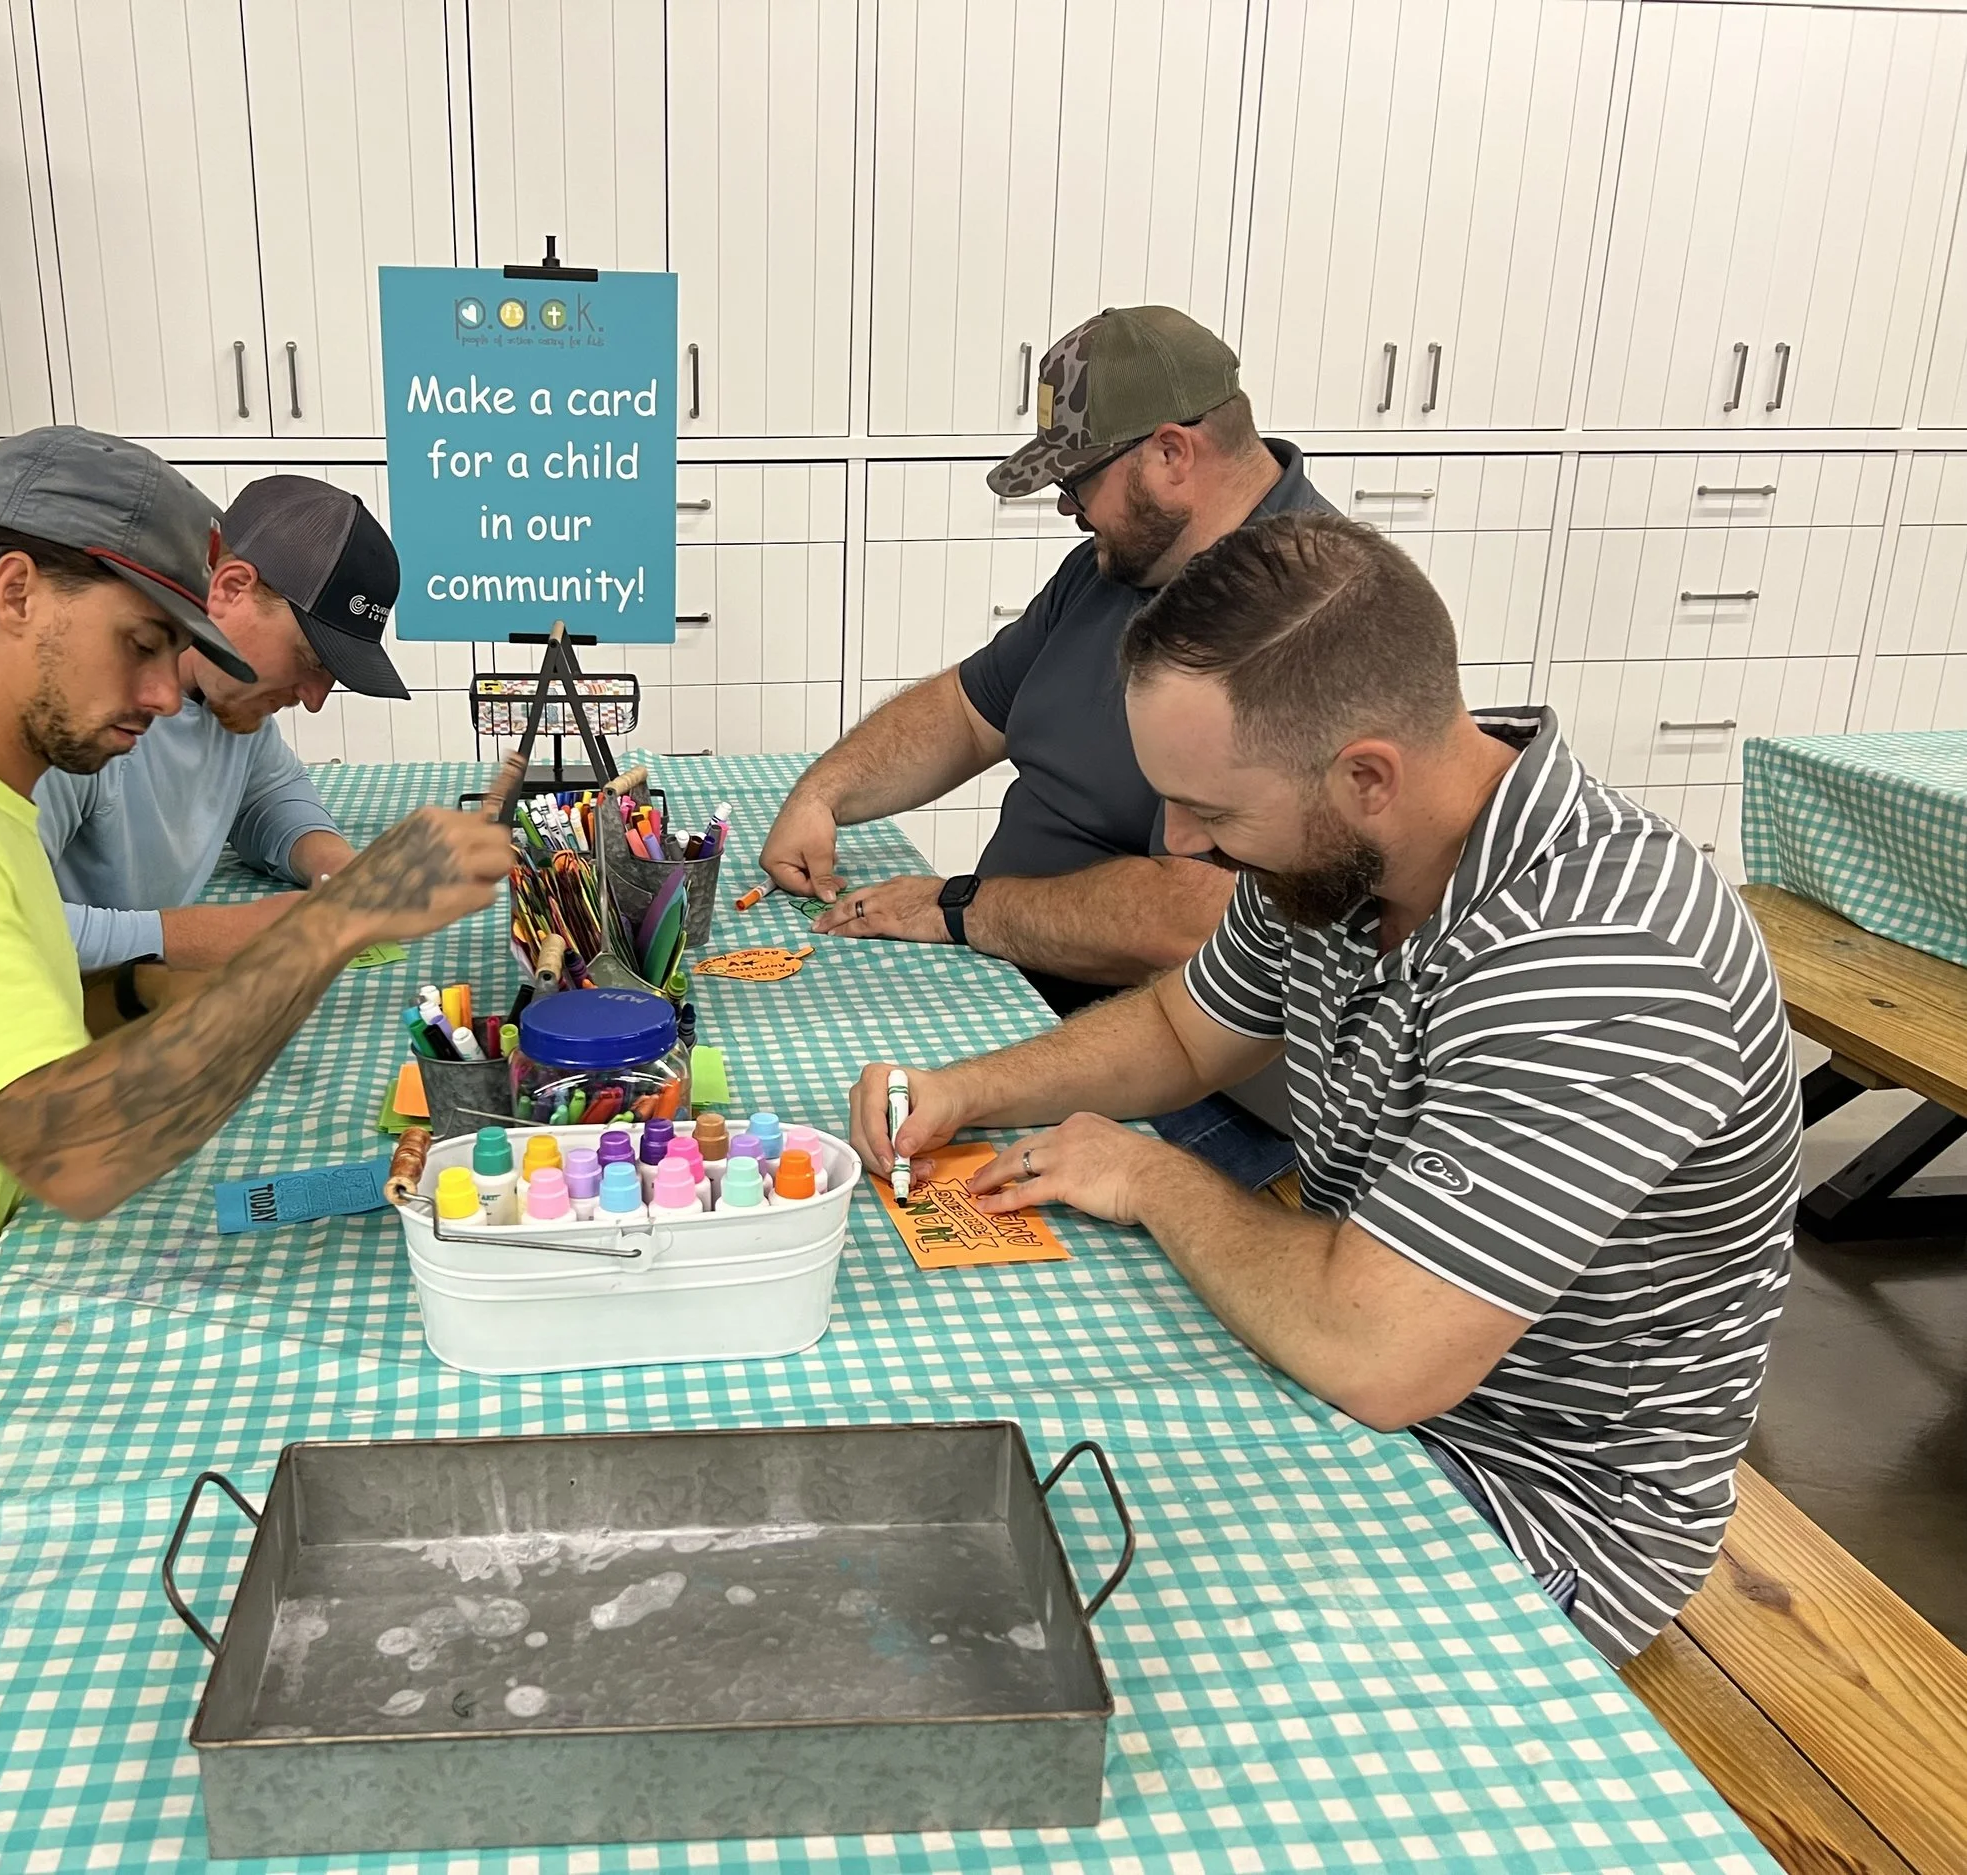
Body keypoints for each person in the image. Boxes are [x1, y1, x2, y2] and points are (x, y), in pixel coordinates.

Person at [848, 513, 1801, 1663]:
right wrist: (967, 1089)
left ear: (1365, 777)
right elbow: (1182, 1030)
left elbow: (1377, 1354)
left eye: (1212, 812)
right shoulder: (1331, 853)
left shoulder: (1601, 957)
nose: (1185, 846)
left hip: (1527, 1493)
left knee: (1073, 1638)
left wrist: (1153, 1175)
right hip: (1374, 1358)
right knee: (975, 1442)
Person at [0, 426, 512, 1576]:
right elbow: (77, 1154)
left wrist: (175, 989)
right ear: (14, 592)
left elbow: (61, 1017)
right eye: (142, 641)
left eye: (180, 650)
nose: (170, 691)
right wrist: (337, 921)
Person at [762, 305, 1337, 1017]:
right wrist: (824, 793)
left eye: (1077, 481)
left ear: (1171, 455)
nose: (1067, 506)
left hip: (1154, 1051)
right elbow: (967, 713)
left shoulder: (1312, 613)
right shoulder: (1114, 567)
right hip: (1013, 973)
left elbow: (1196, 917)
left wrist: (962, 907)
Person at [38, 474, 414, 972]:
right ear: (232, 589)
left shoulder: (231, 704)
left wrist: (335, 867)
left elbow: (267, 796)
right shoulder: (80, 713)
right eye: (310, 659)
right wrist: (208, 935)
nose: (315, 699)